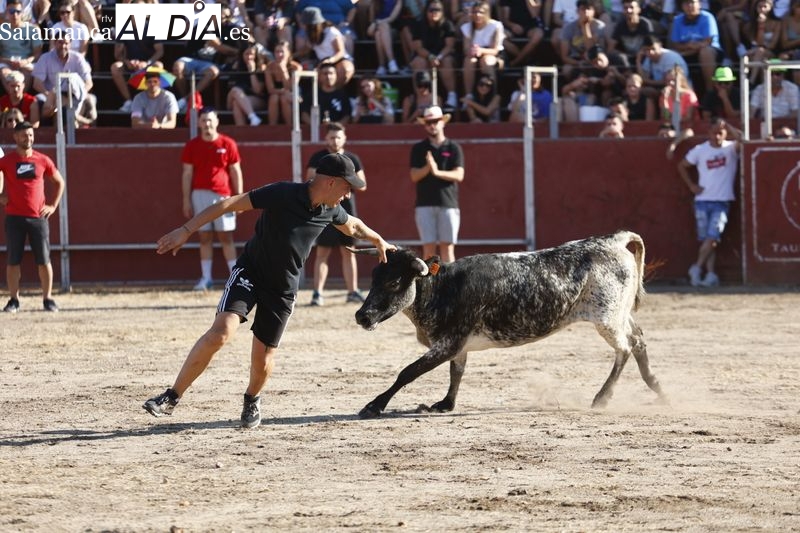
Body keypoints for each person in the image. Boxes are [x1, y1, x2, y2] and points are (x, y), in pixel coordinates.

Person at [142, 153, 395, 428]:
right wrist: (186, 229)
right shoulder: (282, 193)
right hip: (251, 271)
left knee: (263, 359)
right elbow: (228, 204)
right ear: (332, 182)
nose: (348, 195)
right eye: (347, 187)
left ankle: (252, 399)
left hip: (283, 289)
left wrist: (379, 240)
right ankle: (172, 396)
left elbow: (354, 225)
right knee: (221, 332)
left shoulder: (330, 210)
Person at [0, 121, 65, 313]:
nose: (28, 138)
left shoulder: (42, 160)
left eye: (30, 135)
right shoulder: (7, 161)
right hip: (14, 217)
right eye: (23, 135)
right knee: (13, 260)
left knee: (44, 260)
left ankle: (48, 298)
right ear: (15, 137)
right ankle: (14, 300)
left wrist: (52, 205)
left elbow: (59, 182)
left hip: (38, 218)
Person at [181, 108, 243, 291]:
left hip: (223, 195)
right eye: (203, 120)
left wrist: (239, 197)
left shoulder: (228, 143)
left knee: (226, 236)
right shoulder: (192, 145)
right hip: (199, 194)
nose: (207, 124)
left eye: (210, 120)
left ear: (216, 121)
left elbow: (235, 171)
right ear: (199, 123)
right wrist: (186, 199)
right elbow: (187, 173)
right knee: (204, 237)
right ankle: (206, 278)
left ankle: (235, 279)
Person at [307, 122, 368, 306]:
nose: (335, 140)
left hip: (347, 210)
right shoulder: (318, 158)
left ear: (345, 138)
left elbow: (363, 184)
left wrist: (345, 182)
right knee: (322, 252)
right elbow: (310, 181)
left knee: (349, 251)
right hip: (323, 210)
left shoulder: (352, 158)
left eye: (338, 137)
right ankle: (317, 293)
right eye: (332, 137)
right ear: (326, 138)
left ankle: (352, 291)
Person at [678, 117, 741, 287]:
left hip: (721, 200)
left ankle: (696, 268)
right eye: (714, 133)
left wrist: (728, 124)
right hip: (702, 199)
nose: (717, 136)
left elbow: (742, 140)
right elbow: (682, 165)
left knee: (712, 238)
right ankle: (711, 274)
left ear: (725, 133)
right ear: (708, 133)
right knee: (708, 240)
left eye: (720, 133)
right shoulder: (700, 150)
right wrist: (691, 185)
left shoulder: (730, 148)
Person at [410, 105, 464, 263]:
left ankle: (447, 283)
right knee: (429, 249)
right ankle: (432, 283)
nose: (432, 125)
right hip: (424, 204)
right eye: (428, 122)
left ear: (443, 122)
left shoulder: (454, 148)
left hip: (448, 203)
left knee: (447, 248)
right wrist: (428, 168)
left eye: (435, 121)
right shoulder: (419, 148)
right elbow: (414, 176)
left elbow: (459, 175)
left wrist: (436, 171)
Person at [31, 29, 93, 121]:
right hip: (50, 95)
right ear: (55, 43)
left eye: (66, 43)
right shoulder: (45, 58)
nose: (63, 46)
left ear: (70, 44)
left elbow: (88, 83)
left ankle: (81, 126)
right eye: (60, 43)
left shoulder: (78, 58)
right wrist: (50, 95)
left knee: (91, 101)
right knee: (36, 102)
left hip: (75, 94)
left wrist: (80, 94)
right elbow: (37, 83)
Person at [409, 0, 458, 109]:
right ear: (426, 11)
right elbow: (418, 47)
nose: (434, 12)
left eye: (437, 10)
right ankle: (421, 97)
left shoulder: (447, 24)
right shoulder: (419, 25)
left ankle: (452, 96)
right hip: (425, 55)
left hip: (443, 55)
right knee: (419, 62)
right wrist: (430, 57)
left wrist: (439, 57)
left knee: (447, 61)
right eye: (431, 10)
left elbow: (449, 46)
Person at [461, 0, 506, 99]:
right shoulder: (467, 27)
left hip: (493, 54)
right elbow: (466, 49)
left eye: (481, 12)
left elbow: (495, 50)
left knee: (486, 61)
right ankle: (469, 95)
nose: (477, 15)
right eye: (475, 12)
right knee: (469, 61)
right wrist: (472, 51)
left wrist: (481, 51)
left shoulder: (496, 26)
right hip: (475, 54)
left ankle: (492, 95)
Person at [265, 39, 302, 126]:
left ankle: (289, 127)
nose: (279, 55)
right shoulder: (269, 67)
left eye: (282, 52)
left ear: (288, 53)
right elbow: (271, 89)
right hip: (278, 93)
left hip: (293, 93)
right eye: (277, 52)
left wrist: (283, 70)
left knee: (284, 99)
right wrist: (283, 91)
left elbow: (291, 87)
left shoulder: (296, 67)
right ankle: (272, 127)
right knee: (274, 98)